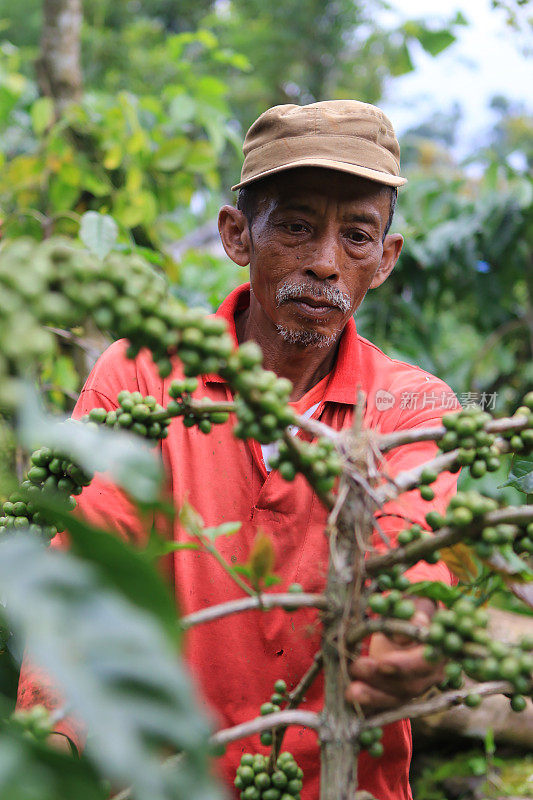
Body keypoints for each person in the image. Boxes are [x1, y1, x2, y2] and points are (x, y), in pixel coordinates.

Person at [18, 100, 459, 800]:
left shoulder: (414, 405)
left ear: (384, 260)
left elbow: (411, 540)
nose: (323, 262)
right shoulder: (142, 377)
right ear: (235, 235)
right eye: (294, 226)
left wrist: (411, 629)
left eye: (356, 236)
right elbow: (86, 577)